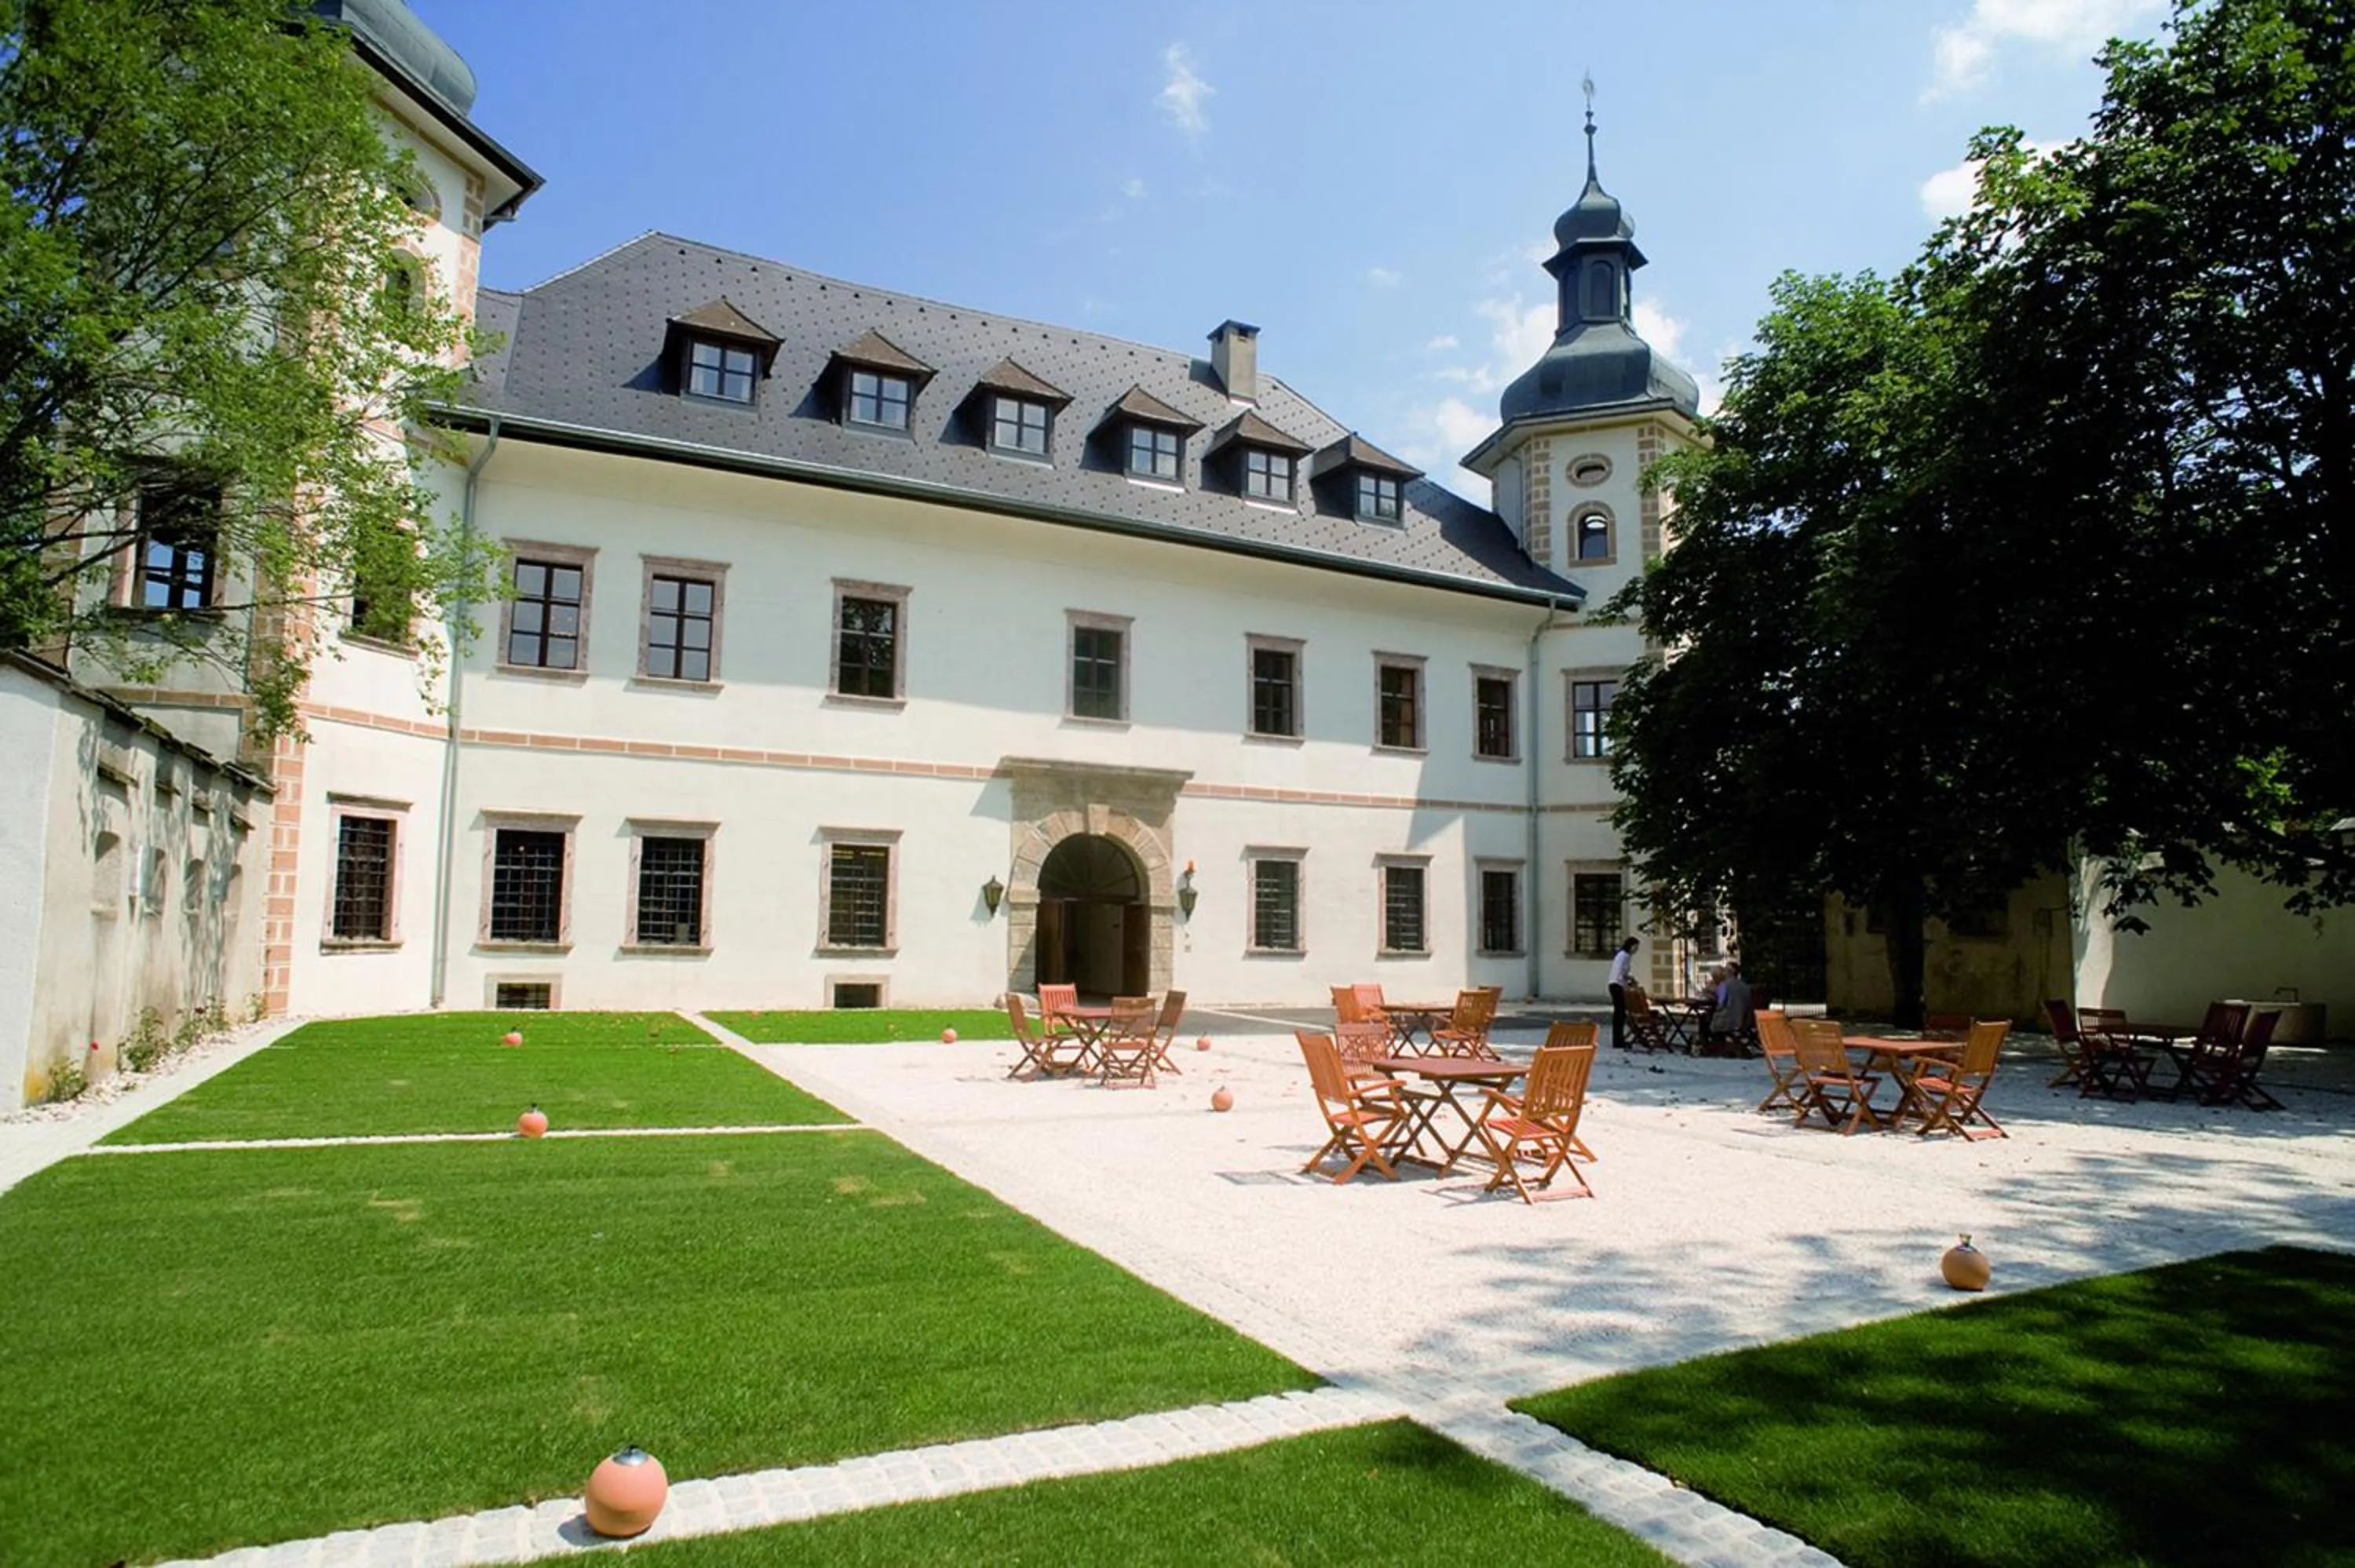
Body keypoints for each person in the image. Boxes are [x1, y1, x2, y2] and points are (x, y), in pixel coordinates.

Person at [1708, 960, 1754, 1054]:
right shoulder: (1745, 987)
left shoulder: (1724, 985)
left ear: (1730, 972)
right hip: (1743, 1019)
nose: (1724, 972)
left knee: (1706, 1018)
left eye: (1725, 969)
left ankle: (1714, 1046)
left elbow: (1721, 1004)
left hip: (1728, 1020)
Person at [1607, 935, 1640, 1049]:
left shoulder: (1627, 956)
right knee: (1619, 1013)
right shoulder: (1623, 956)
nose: (1636, 949)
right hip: (1616, 985)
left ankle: (1619, 1039)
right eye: (1635, 947)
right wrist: (1626, 982)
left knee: (1621, 1013)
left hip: (1618, 984)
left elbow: (1623, 973)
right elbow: (1619, 973)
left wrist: (1629, 979)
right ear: (1630, 946)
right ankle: (1617, 1041)